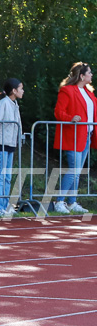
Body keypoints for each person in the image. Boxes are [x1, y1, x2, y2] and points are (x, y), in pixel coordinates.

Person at [52, 62, 96, 214]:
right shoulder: (67, 90)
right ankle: (59, 201)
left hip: (86, 136)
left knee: (77, 171)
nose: (92, 75)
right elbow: (58, 112)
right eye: (89, 73)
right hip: (73, 136)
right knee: (73, 170)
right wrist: (71, 118)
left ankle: (71, 202)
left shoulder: (90, 93)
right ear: (82, 75)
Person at [0, 78, 24, 217]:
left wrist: (18, 141)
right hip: (1, 145)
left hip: (10, 145)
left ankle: (4, 205)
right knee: (1, 176)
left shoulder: (14, 104)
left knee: (7, 177)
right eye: (21, 88)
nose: (23, 91)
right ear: (14, 90)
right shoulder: (3, 104)